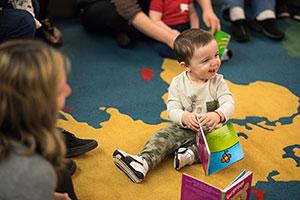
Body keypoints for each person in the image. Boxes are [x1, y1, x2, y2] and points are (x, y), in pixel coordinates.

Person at [112, 28, 235, 183]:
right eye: (205, 60)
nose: (215, 62)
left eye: (216, 55)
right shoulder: (178, 83)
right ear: (186, 66)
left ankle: (188, 155)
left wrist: (218, 115)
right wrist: (184, 117)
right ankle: (143, 162)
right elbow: (172, 109)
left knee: (225, 142)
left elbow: (228, 102)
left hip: (212, 130)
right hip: (184, 128)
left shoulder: (218, 81)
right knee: (162, 136)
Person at [0, 39, 72, 199]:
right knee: (62, 175)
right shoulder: (34, 171)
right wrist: (34, 187)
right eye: (60, 90)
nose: (69, 91)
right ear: (37, 105)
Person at [78, 0, 220, 48]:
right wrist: (171, 39)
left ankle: (135, 32)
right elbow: (129, 9)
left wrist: (208, 10)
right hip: (97, 8)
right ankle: (140, 32)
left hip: (141, 9)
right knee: (105, 13)